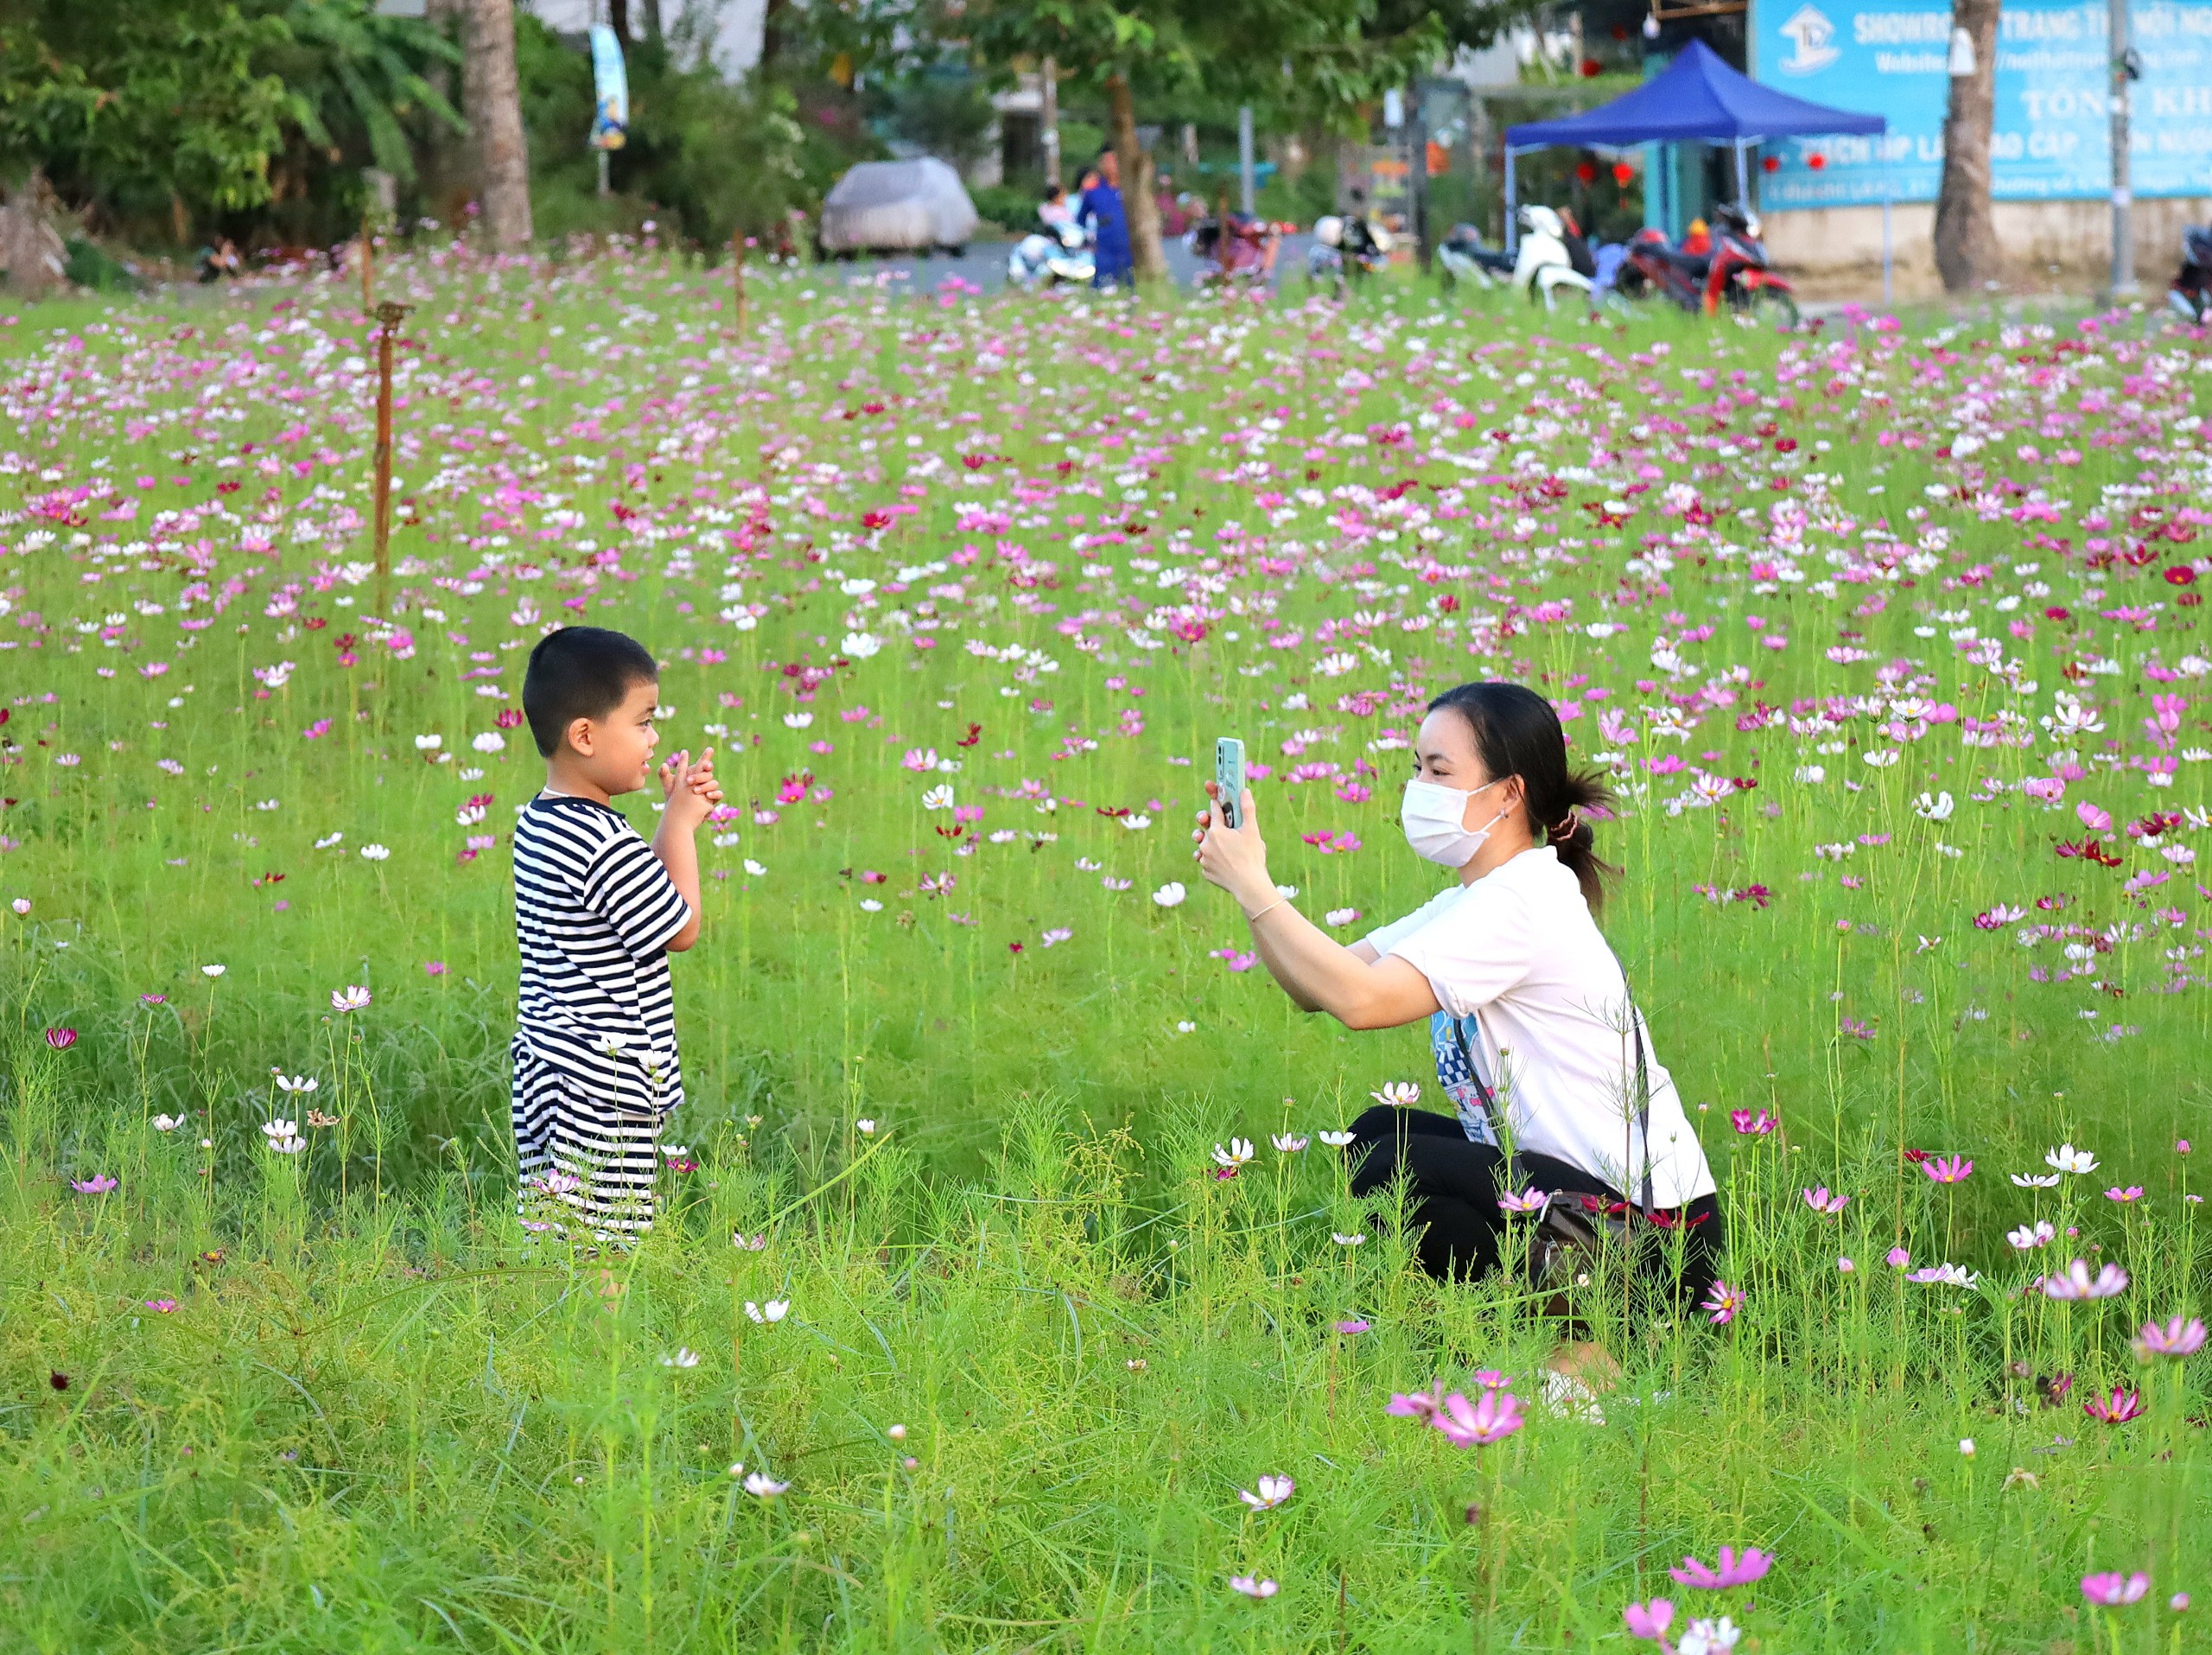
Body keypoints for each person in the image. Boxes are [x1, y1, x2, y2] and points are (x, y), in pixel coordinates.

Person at [1192, 680, 1720, 1389]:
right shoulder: (1478, 898)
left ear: (1508, 794)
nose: (1420, 787)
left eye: (1440, 771)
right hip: (1582, 1209)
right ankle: (1553, 1336)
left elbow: (1361, 1002)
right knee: (1372, 1137)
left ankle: (1589, 1350)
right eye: (1417, 768)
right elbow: (1317, 988)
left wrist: (1258, 884)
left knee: (1391, 1166)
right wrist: (1246, 887)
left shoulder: (1522, 904)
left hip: (1655, 1245)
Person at [512, 627, 722, 1239]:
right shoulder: (603, 841)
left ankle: (560, 1329)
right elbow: (677, 927)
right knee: (605, 1240)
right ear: (584, 735)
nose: (654, 738)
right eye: (643, 721)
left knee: (559, 1228)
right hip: (606, 1081)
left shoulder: (543, 822)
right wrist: (681, 825)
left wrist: (667, 818)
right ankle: (603, 1337)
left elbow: (640, 903)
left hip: (549, 1064)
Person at [1077, 149, 1134, 290]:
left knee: (1130, 285)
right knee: (1104, 285)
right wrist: (1088, 240)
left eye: (1114, 161)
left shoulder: (1131, 188)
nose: (1110, 166)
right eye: (1106, 162)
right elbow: (1081, 219)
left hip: (1130, 245)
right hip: (1105, 246)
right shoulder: (1093, 191)